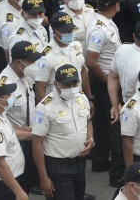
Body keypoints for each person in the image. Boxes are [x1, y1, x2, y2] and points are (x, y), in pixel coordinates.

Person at [32, 64, 93, 200]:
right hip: (58, 167)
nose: (71, 88)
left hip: (79, 162)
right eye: (66, 85)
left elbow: (88, 120)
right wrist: (43, 178)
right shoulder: (44, 108)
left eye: (74, 83)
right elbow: (37, 144)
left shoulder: (81, 98)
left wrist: (91, 138)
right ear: (56, 84)